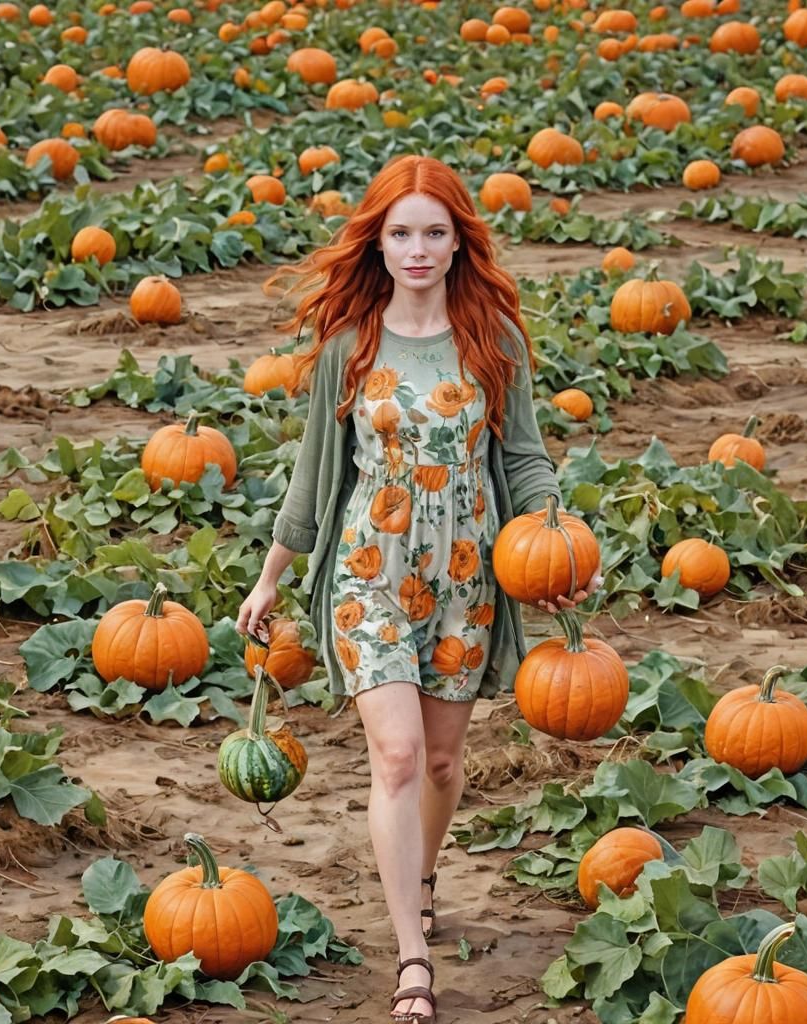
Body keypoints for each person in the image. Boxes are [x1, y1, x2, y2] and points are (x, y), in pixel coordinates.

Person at [236, 155, 601, 1024]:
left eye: (434, 231)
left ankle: (424, 871)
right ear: (379, 240)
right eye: (401, 232)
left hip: (468, 580)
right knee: (395, 757)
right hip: (372, 573)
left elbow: (522, 458)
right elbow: (313, 475)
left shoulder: (492, 338)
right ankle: (411, 957)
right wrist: (269, 581)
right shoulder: (350, 345)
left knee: (440, 761)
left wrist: (548, 543)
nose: (418, 249)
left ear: (458, 238)